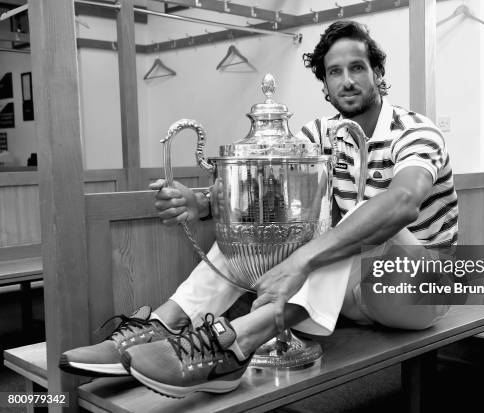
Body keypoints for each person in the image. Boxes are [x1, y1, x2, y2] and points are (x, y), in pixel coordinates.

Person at [60, 20, 458, 398]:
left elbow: (403, 203)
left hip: (422, 287)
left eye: (358, 67)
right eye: (334, 72)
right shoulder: (319, 135)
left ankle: (236, 342)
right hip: (354, 293)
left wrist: (301, 261)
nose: (348, 80)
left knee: (360, 220)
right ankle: (165, 323)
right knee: (258, 232)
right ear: (324, 85)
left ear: (378, 73)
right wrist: (200, 203)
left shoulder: (415, 130)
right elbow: (268, 195)